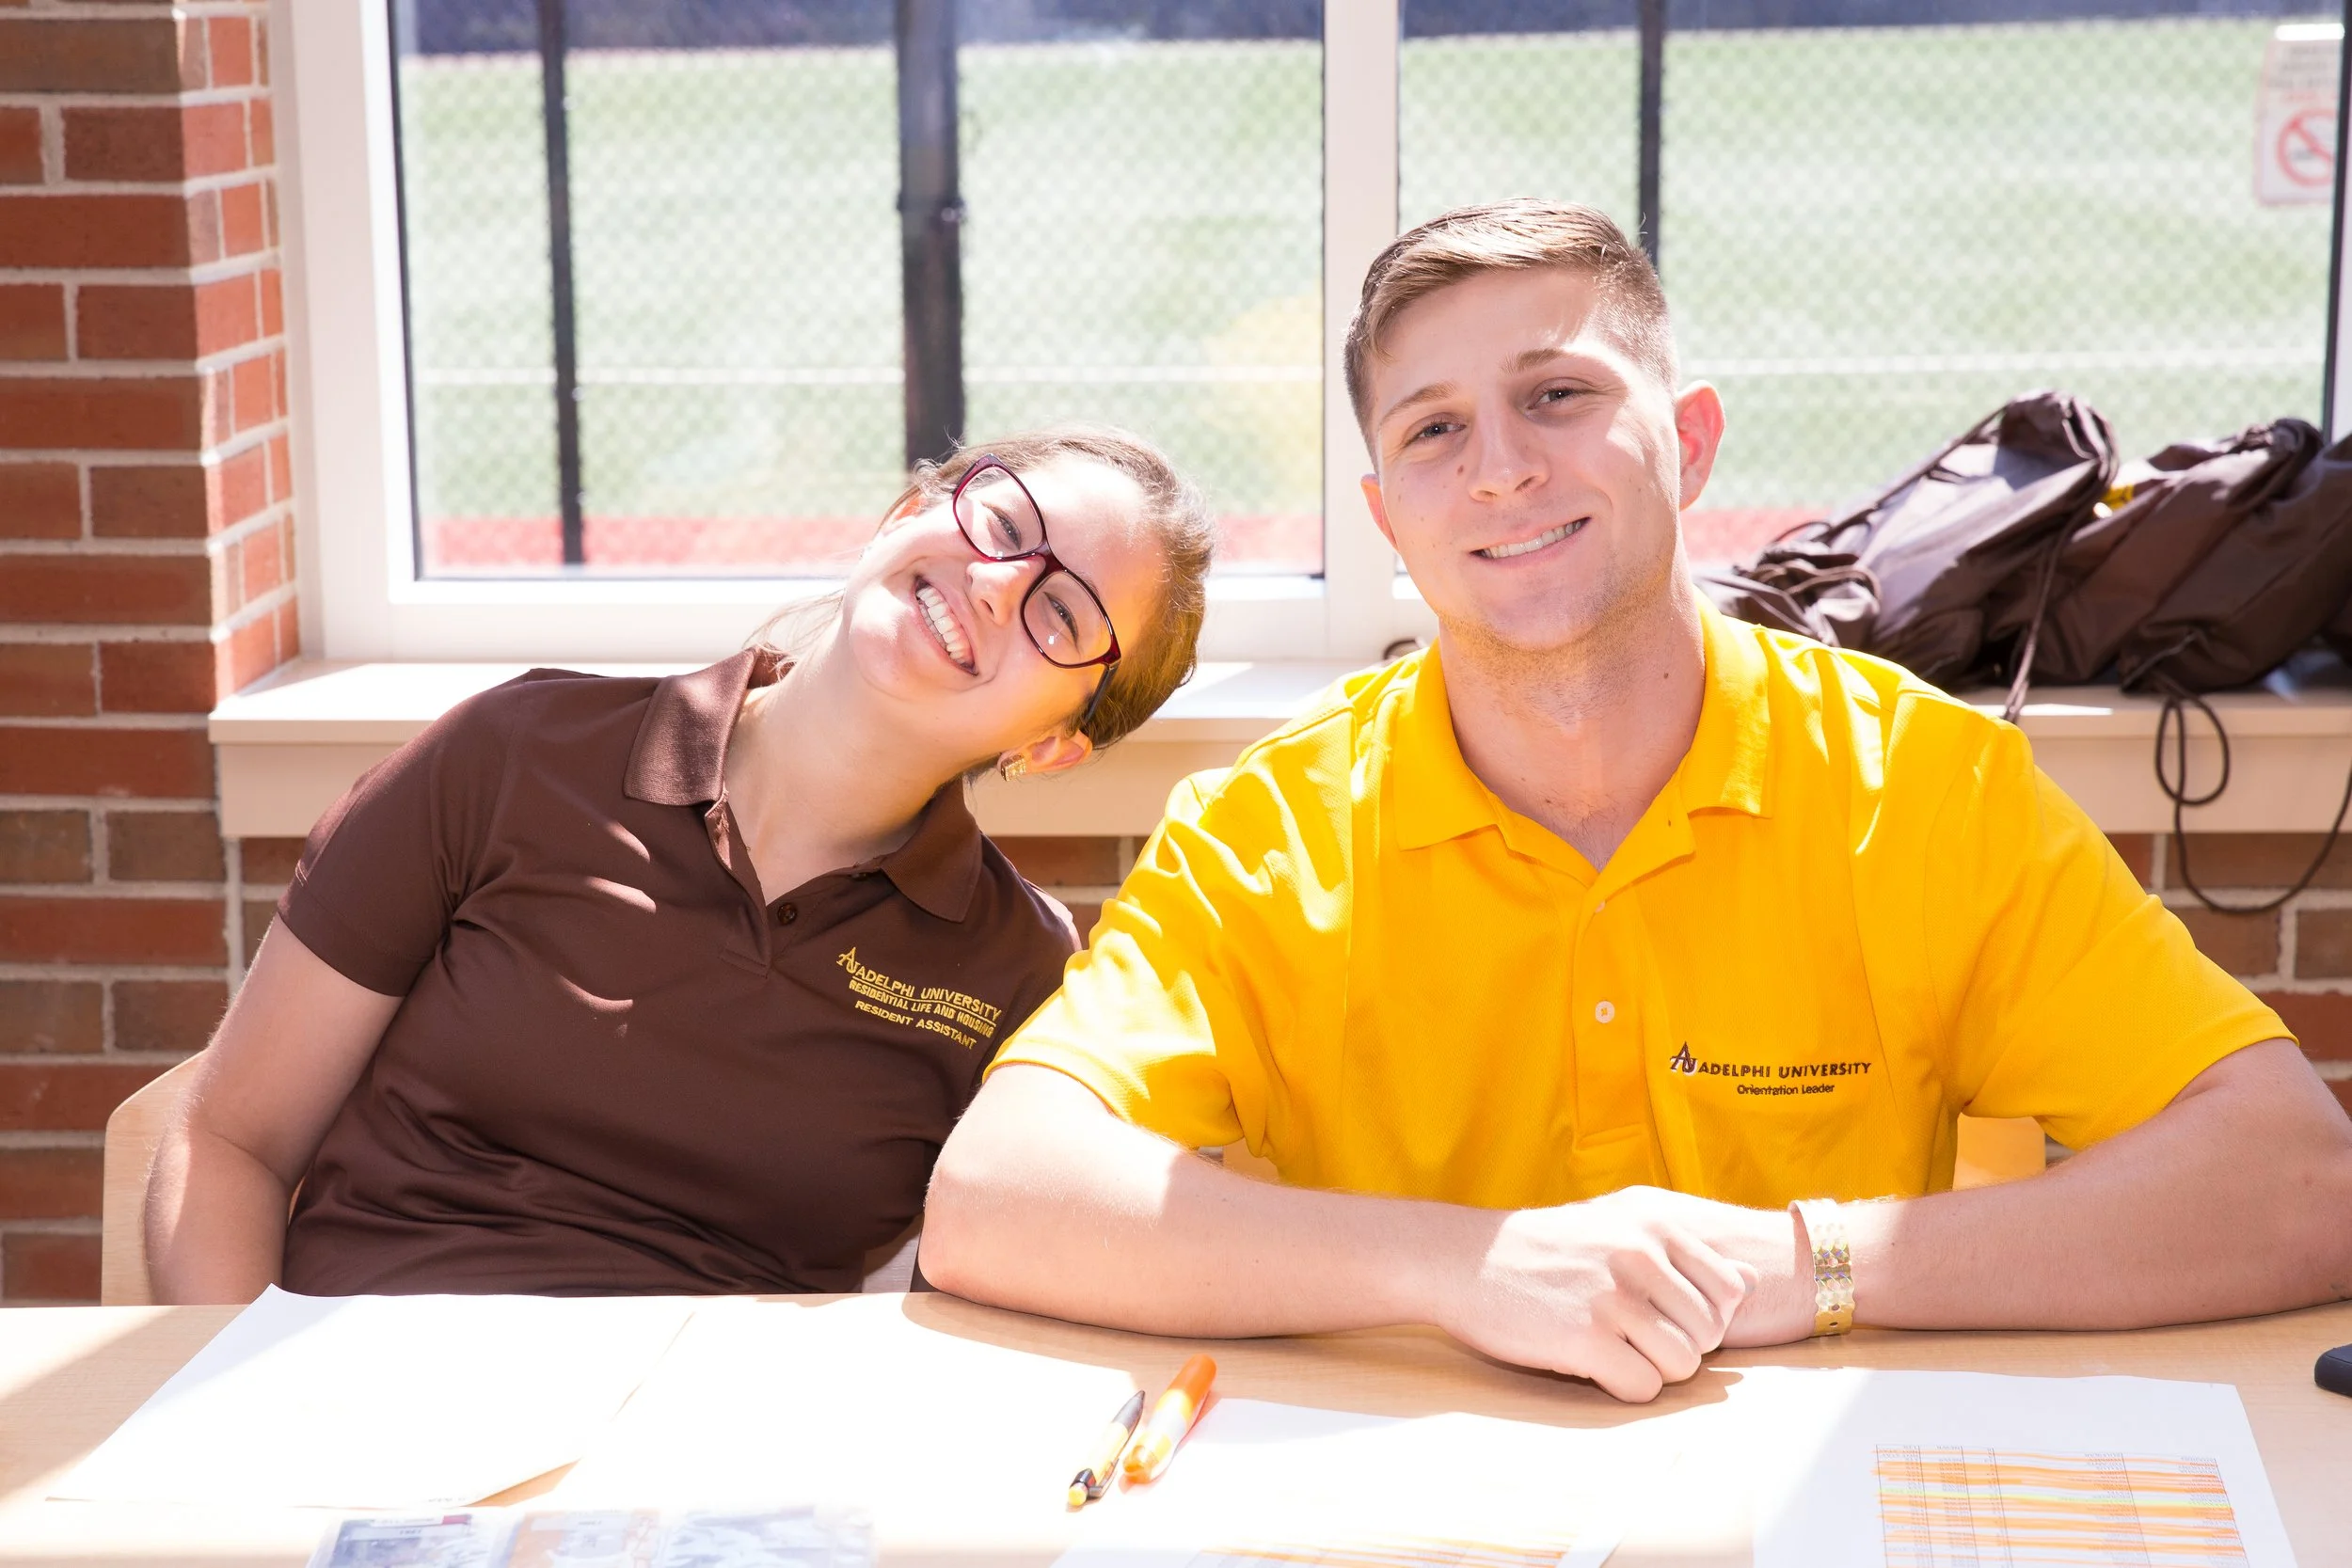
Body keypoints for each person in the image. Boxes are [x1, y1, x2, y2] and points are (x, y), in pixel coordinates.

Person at [918, 202, 2352, 1402]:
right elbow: (995, 1195)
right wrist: (1471, 1271)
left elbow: (2300, 1181)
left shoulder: (1923, 786)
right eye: (1433, 431)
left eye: (1558, 393)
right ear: (1388, 519)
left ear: (1695, 437)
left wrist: (1802, 1266)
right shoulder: (1266, 829)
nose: (1502, 467)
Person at [146, 426, 1215, 1301]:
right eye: (1000, 518)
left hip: (696, 1479)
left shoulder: (1022, 969)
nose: (995, 581)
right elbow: (232, 1137)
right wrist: (229, 1427)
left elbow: (1024, 1261)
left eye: (1062, 610)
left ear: (1053, 743)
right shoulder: (514, 755)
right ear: (906, 513)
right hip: (357, 1413)